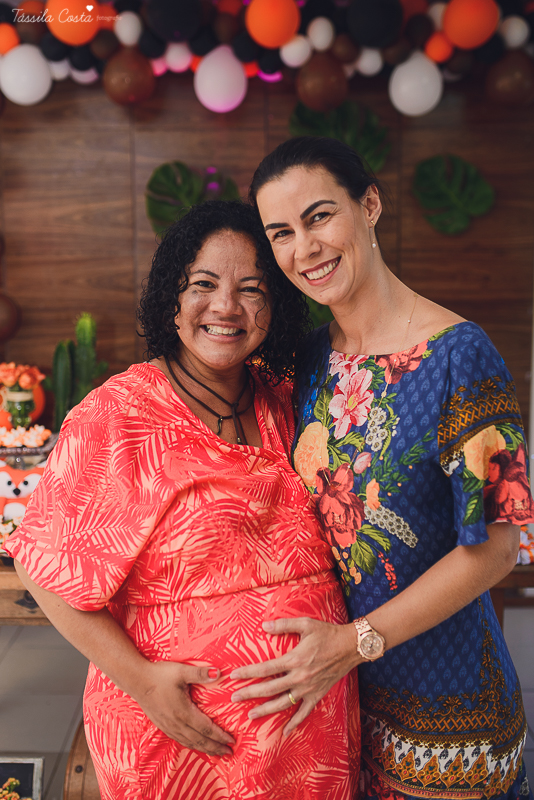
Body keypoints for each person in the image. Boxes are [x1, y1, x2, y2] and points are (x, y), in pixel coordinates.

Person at [5, 200, 359, 800]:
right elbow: (40, 568)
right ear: (172, 296)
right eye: (204, 284)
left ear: (275, 305)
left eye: (252, 289)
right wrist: (142, 682)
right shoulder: (117, 414)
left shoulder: (288, 401)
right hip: (184, 741)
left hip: (310, 742)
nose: (226, 307)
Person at [229, 137, 534, 800]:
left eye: (318, 217)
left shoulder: (464, 354)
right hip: (336, 710)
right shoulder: (306, 362)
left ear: (369, 205)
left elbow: (504, 542)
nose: (304, 248)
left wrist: (353, 642)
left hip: (448, 720)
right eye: (281, 233)